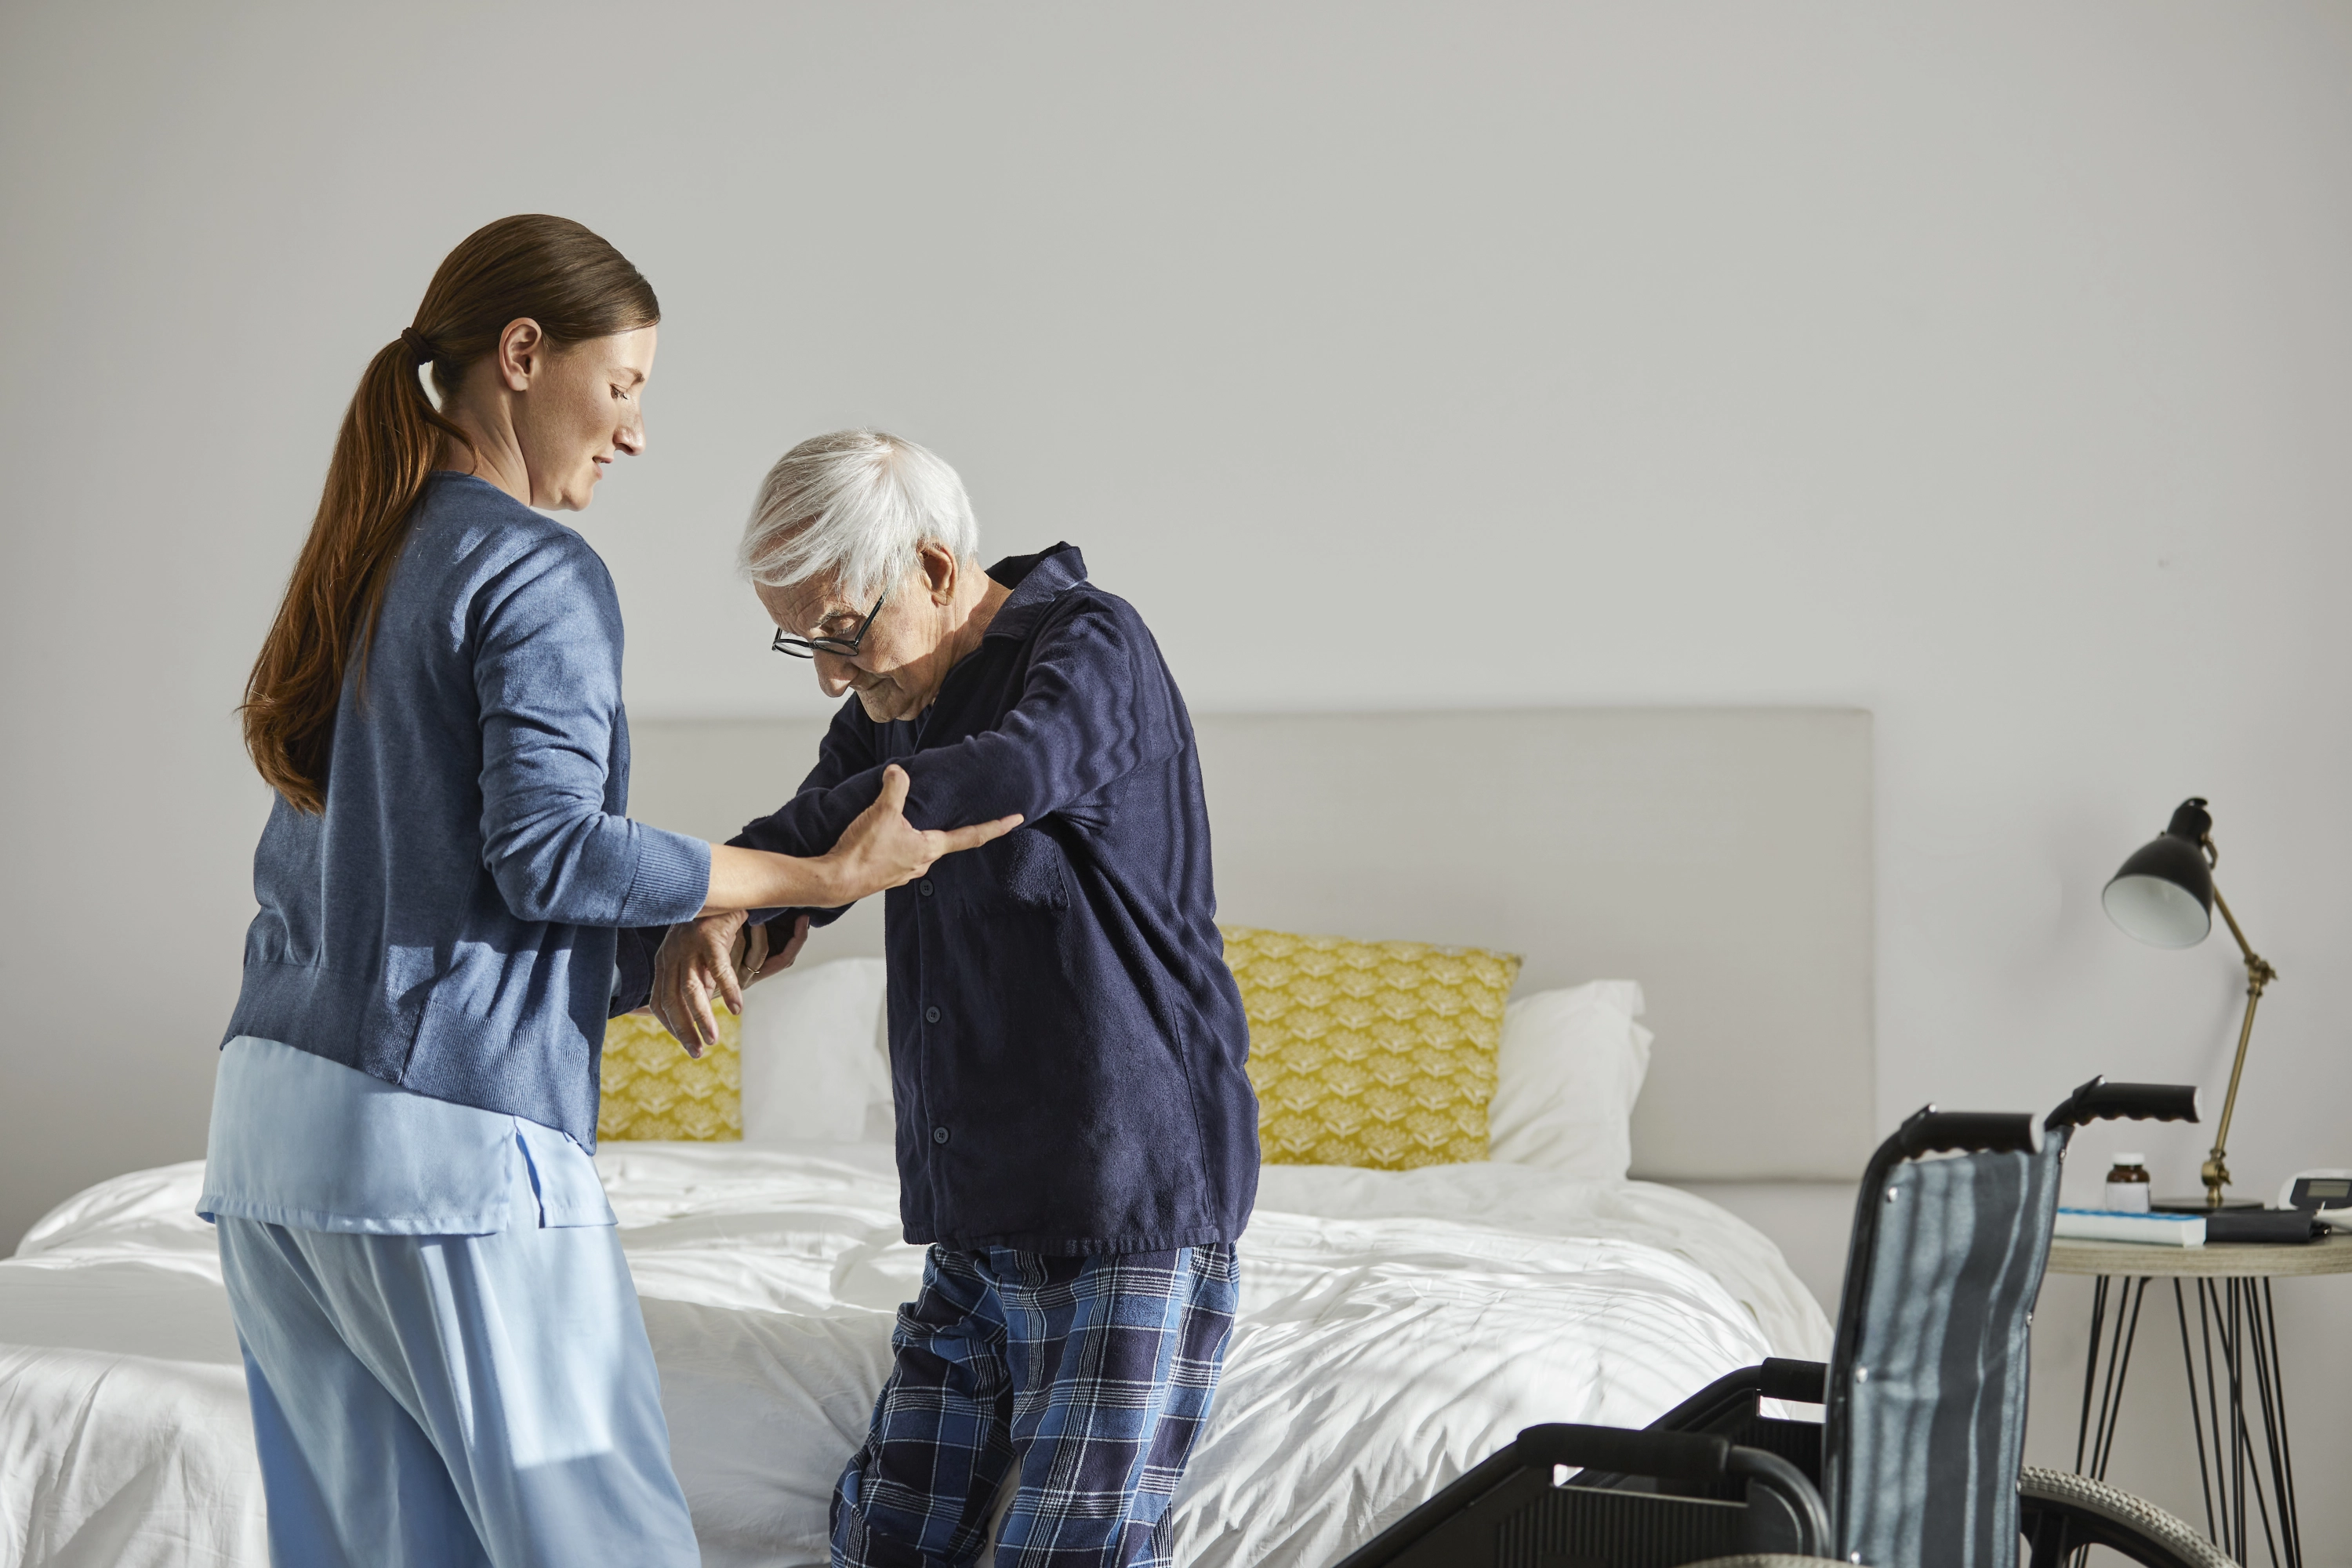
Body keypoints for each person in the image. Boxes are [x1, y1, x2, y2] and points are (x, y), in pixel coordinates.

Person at [205, 220, 1015, 1568]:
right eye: (627, 384)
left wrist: (662, 960)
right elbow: (555, 854)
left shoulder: (359, 557)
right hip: (444, 1152)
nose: (636, 432)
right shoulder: (533, 567)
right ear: (523, 356)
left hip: (272, 1144)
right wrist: (817, 873)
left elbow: (438, 906)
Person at [642, 430, 1258, 1568]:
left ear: (932, 569)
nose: (834, 674)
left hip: (1125, 1201)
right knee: (882, 1538)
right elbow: (813, 824)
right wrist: (732, 902)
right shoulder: (889, 701)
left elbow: (1013, 770)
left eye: (845, 633)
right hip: (974, 1214)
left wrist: (809, 872)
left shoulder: (1089, 642)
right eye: (804, 643)